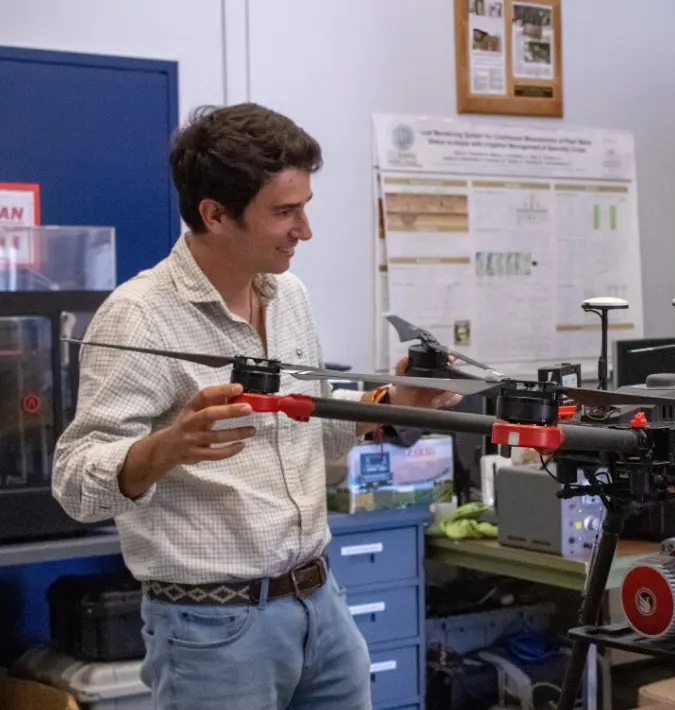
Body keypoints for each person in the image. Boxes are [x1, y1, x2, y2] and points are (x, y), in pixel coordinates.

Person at [52, 103, 459, 710]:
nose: (305, 230)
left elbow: (313, 434)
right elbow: (74, 481)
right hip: (214, 633)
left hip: (321, 605)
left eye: (305, 207)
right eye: (285, 212)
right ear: (216, 214)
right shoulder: (139, 314)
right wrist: (167, 448)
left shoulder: (288, 294)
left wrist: (393, 403)